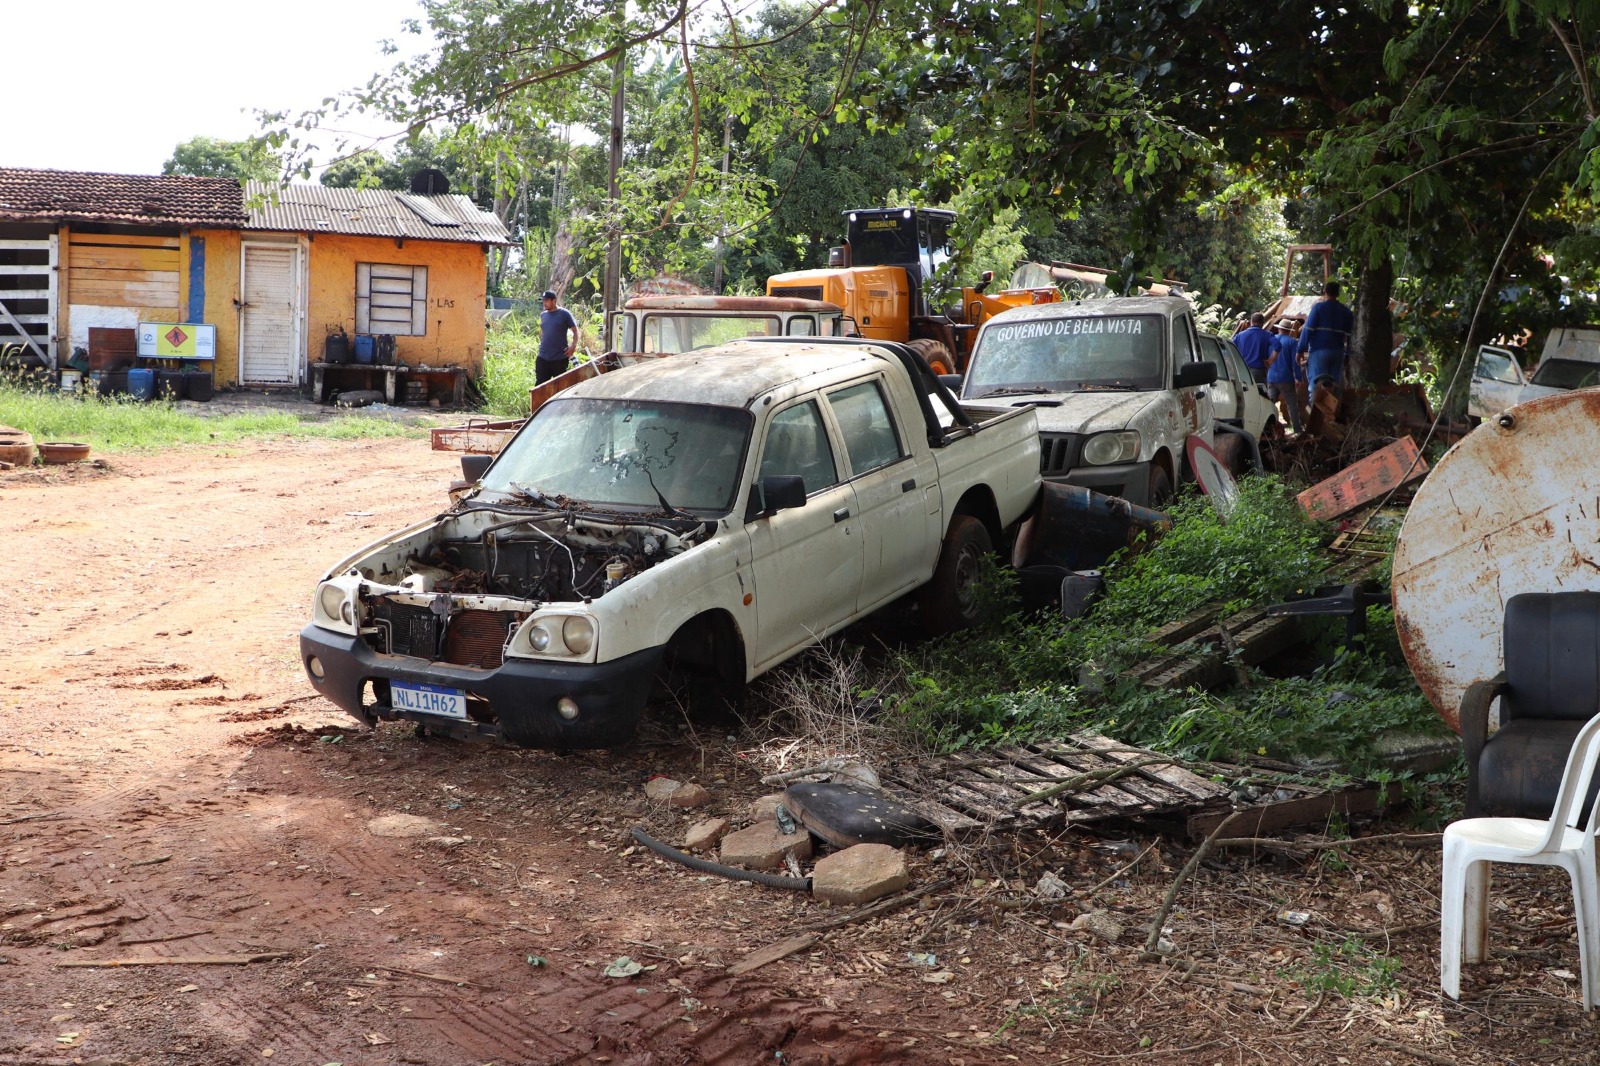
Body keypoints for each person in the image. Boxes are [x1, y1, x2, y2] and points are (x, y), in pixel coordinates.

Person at [1296, 280, 1355, 393]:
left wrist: (1300, 350)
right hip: (1338, 353)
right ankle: (1334, 409)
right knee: (1335, 387)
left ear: (1325, 292)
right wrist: (1347, 355)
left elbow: (1307, 330)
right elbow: (1350, 336)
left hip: (1319, 352)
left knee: (1316, 387)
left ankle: (1316, 408)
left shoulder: (1318, 308)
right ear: (1338, 294)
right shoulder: (1346, 312)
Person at [1265, 320, 1304, 434]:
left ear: (1279, 328)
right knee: (1292, 404)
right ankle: (1297, 430)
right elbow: (1295, 362)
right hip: (1286, 378)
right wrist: (1299, 378)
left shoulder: (1271, 341)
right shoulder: (1292, 342)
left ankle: (1269, 430)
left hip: (1271, 377)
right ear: (1289, 331)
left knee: (1270, 404)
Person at [536, 289, 579, 385]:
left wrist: (573, 346)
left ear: (554, 301)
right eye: (543, 301)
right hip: (543, 357)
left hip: (559, 358)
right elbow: (544, 331)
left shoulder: (564, 314)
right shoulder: (543, 315)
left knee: (560, 386)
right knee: (540, 386)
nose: (544, 303)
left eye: (546, 301)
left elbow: (575, 331)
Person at [1232, 312, 1275, 383]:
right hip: (1258, 372)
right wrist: (1271, 360)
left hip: (1242, 370)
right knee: (1259, 393)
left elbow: (1230, 348)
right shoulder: (1267, 335)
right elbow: (1278, 346)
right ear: (1262, 323)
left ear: (1251, 321)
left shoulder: (1240, 335)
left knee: (1245, 392)